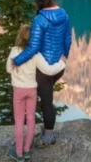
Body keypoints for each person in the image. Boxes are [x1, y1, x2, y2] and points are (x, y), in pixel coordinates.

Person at [11, 0, 72, 146]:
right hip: (58, 66)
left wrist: (16, 61)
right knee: (46, 98)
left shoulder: (40, 20)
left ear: (39, 0)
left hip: (44, 69)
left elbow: (33, 47)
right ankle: (48, 127)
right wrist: (64, 58)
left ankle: (49, 134)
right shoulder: (63, 14)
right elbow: (68, 39)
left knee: (46, 101)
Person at [6, 25, 66, 161]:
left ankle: (18, 153)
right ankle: (27, 150)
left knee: (20, 121)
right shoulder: (36, 54)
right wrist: (62, 63)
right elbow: (50, 70)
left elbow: (8, 69)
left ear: (20, 38)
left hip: (19, 90)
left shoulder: (14, 51)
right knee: (32, 118)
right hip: (32, 89)